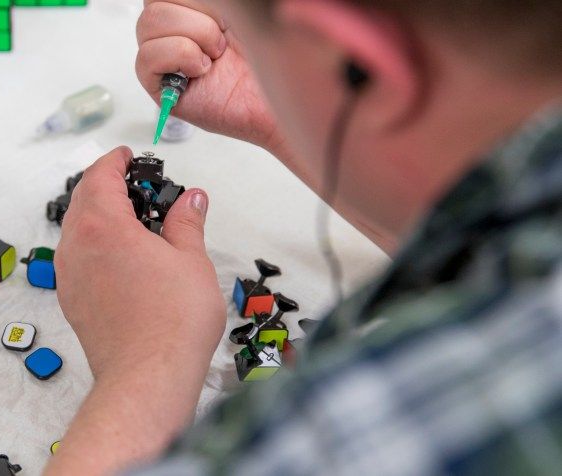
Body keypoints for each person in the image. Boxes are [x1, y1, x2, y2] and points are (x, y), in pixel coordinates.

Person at [45, 0, 562, 474]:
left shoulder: (349, 432)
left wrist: (147, 358)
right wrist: (297, 106)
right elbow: (491, 244)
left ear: (349, 54)